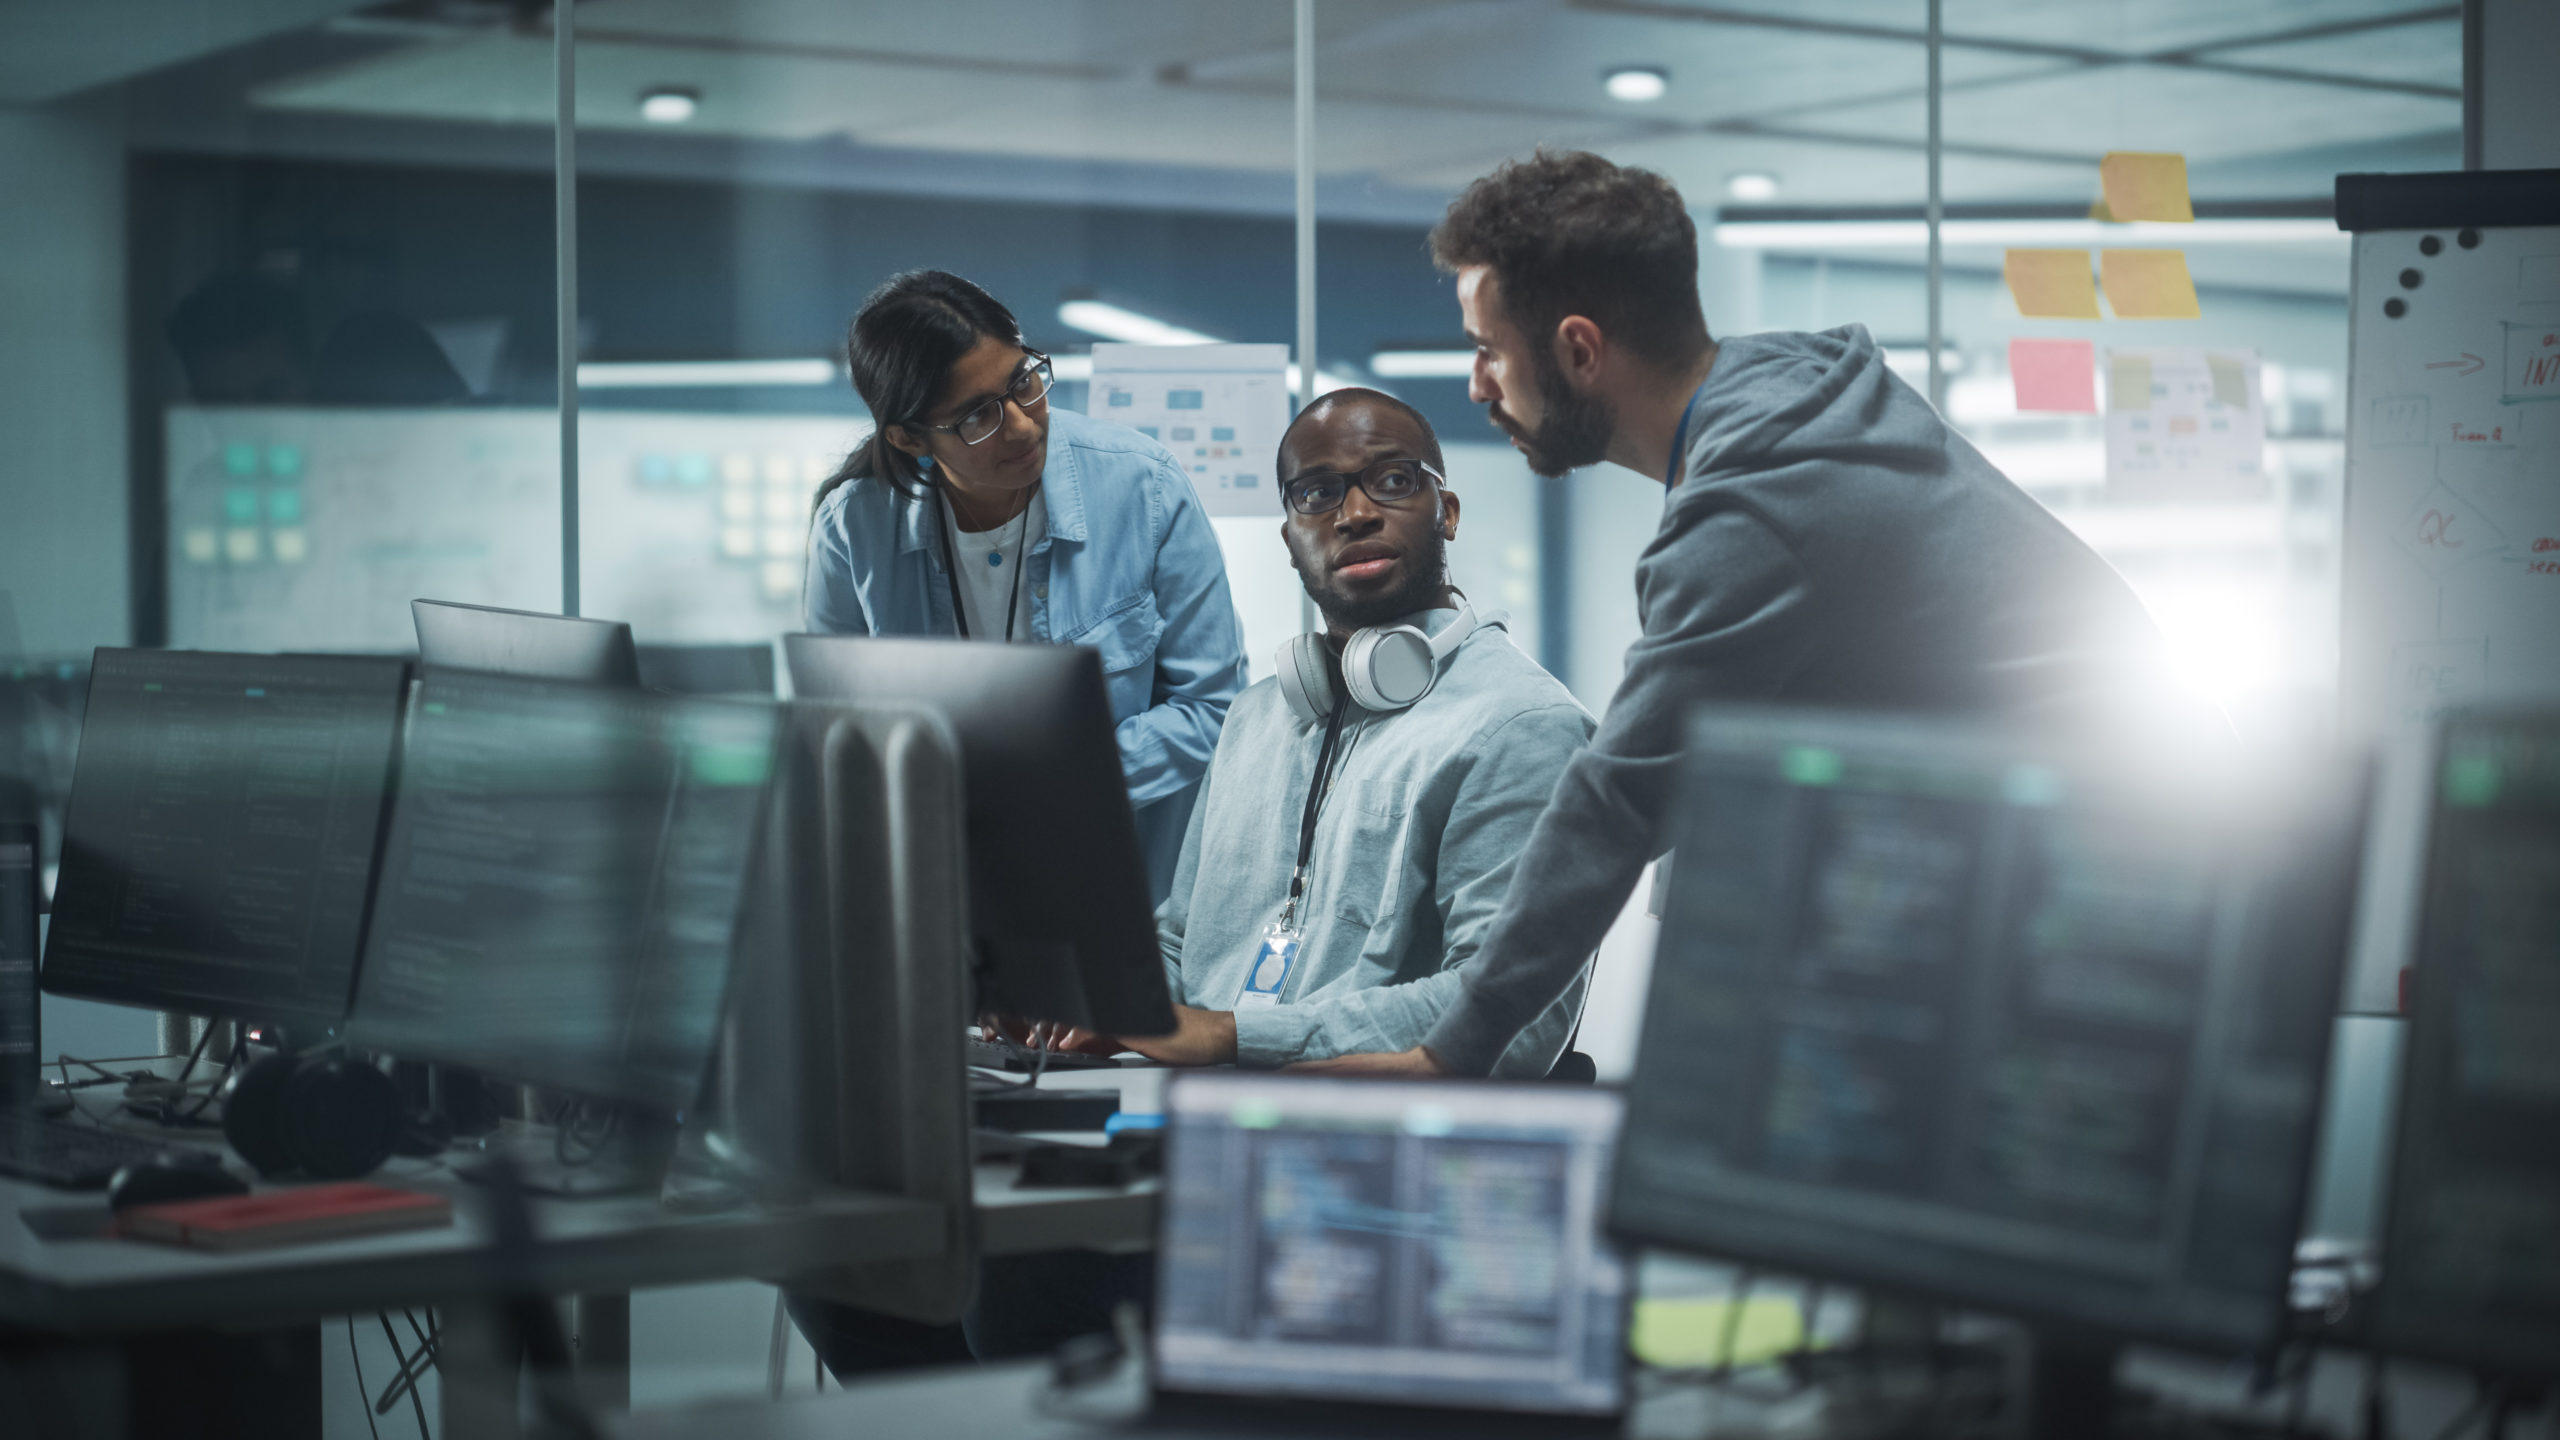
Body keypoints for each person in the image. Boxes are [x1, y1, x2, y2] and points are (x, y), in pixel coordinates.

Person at [1301, 150, 2175, 1080]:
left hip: (2104, 913)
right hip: (2097, 870)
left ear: (1579, 351)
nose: (1478, 384)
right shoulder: (1793, 396)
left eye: (1489, 349)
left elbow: (1619, 799)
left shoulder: (1757, 502)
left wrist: (1449, 1050)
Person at [1056, 387, 1595, 1076]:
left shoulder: (1521, 726)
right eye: (1317, 494)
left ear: (1448, 512)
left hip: (1364, 1132)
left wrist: (1231, 1036)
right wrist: (1101, 1006)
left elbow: (1511, 1019)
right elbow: (1183, 942)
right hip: (1196, 1105)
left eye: (1394, 482)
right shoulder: (1255, 720)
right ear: (1290, 537)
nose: (1357, 514)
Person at [802, 270, 1246, 899]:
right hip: (944, 895)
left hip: (1128, 890)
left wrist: (1044, 781)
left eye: (1023, 382)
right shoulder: (853, 529)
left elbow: (1214, 709)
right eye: (976, 416)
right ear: (908, 437)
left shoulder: (1142, 486)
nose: (1023, 426)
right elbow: (837, 738)